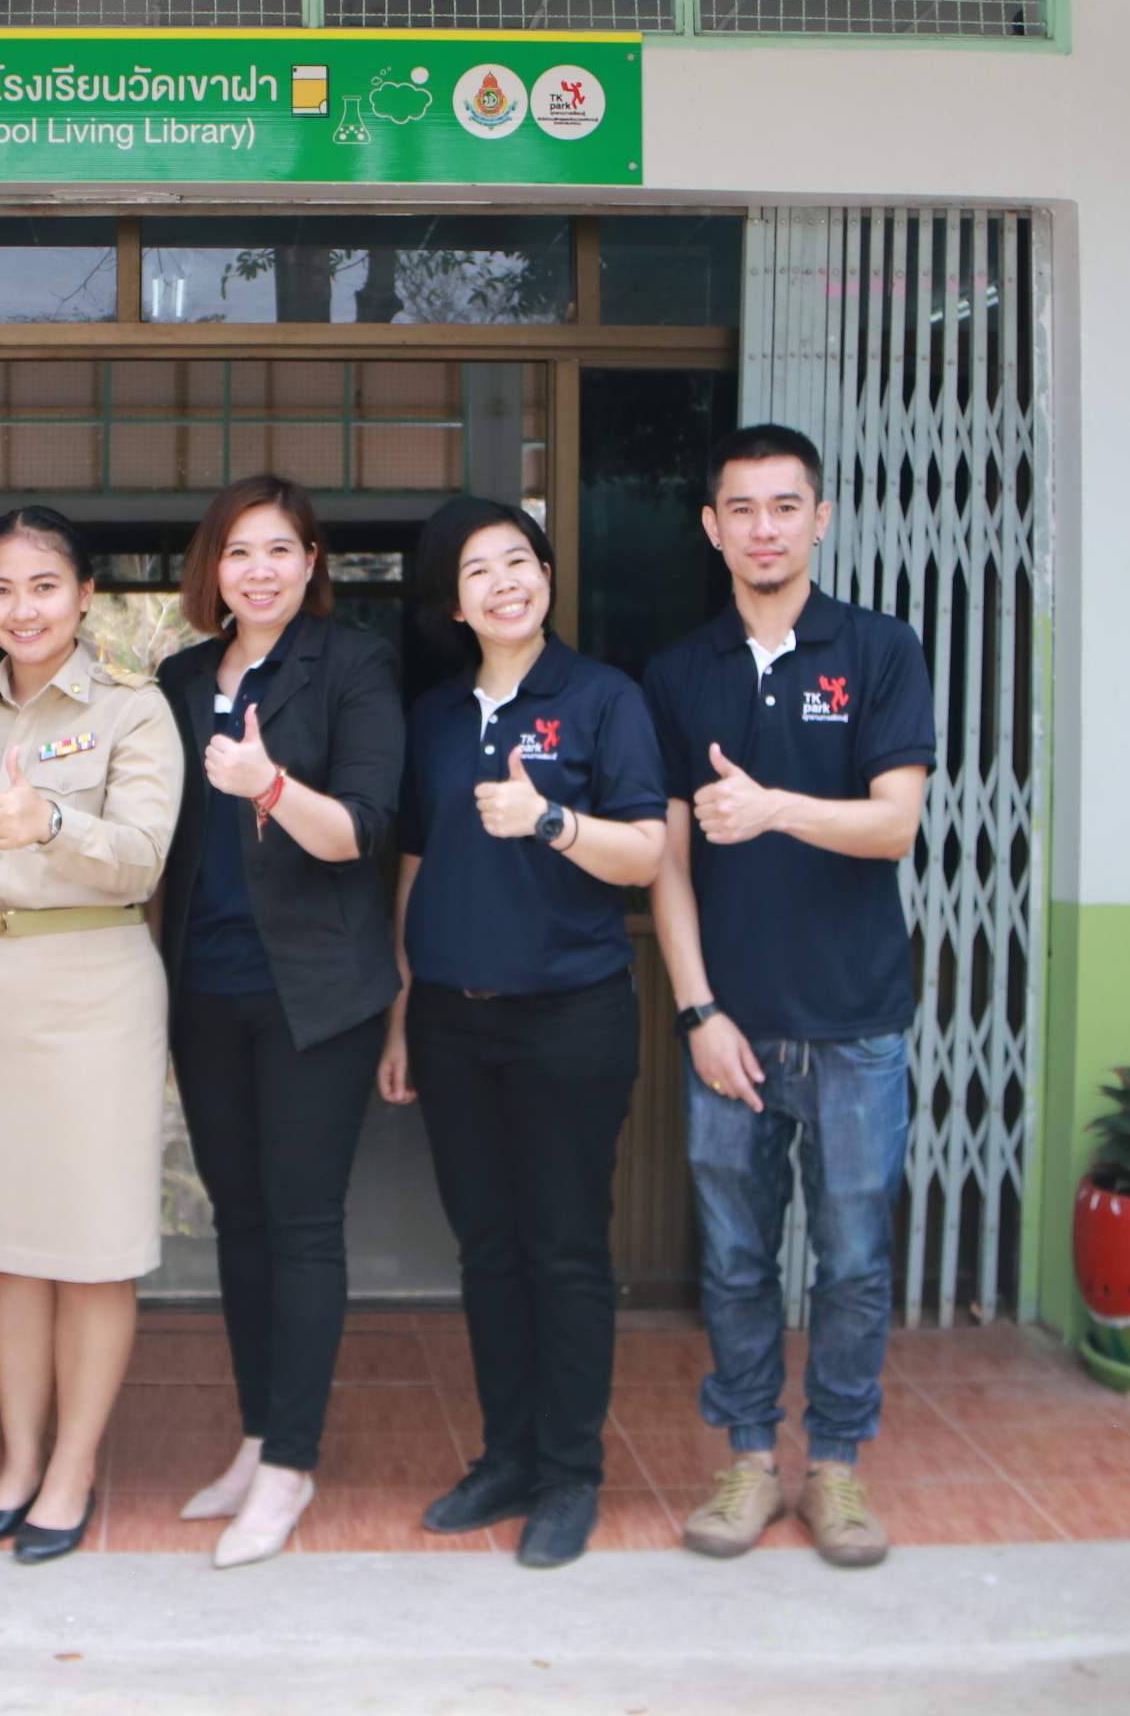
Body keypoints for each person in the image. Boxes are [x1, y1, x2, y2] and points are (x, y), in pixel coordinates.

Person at [643, 423, 934, 1570]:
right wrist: (697, 1011)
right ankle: (752, 1459)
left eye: (784, 506)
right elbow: (668, 863)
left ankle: (839, 1469)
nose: (763, 528)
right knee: (735, 1257)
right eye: (741, 508)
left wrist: (774, 808)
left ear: (820, 518)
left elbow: (895, 825)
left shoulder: (879, 649)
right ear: (711, 528)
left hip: (858, 1020)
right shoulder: (679, 672)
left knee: (853, 1258)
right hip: (734, 1026)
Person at [379, 496, 670, 1571]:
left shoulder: (603, 699)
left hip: (569, 1019)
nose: (505, 582)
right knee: (489, 1250)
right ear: (452, 604)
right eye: (478, 570)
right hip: (452, 1020)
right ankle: (507, 1454)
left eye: (520, 561)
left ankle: (569, 1472)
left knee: (564, 1249)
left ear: (547, 575)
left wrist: (550, 819)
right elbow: (415, 864)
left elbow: (645, 853)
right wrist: (404, 1010)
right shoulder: (433, 717)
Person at [0, 506, 182, 1565]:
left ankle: (73, 1468)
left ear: (85, 596)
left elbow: (146, 854)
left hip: (95, 990)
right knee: (10, 1251)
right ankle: (18, 1462)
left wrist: (52, 823)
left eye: (45, 586)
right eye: (1, 589)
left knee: (92, 1250)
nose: (23, 608)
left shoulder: (133, 710)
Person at [151, 475, 405, 1567]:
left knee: (301, 1223)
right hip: (203, 987)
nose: (258, 570)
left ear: (312, 564)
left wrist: (267, 786)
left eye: (279, 550)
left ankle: (293, 1463)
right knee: (239, 1221)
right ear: (212, 569)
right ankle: (259, 1438)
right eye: (238, 552)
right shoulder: (178, 679)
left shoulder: (354, 665)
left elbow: (363, 829)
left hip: (315, 994)